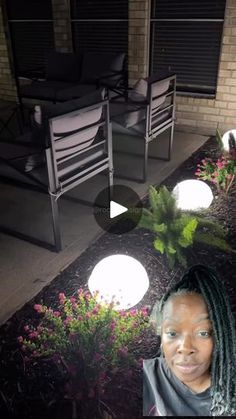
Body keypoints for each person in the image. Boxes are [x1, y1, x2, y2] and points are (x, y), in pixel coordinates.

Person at [143, 264, 236, 416]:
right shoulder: (144, 377)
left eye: (203, 333)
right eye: (172, 333)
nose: (185, 347)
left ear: (220, 337)